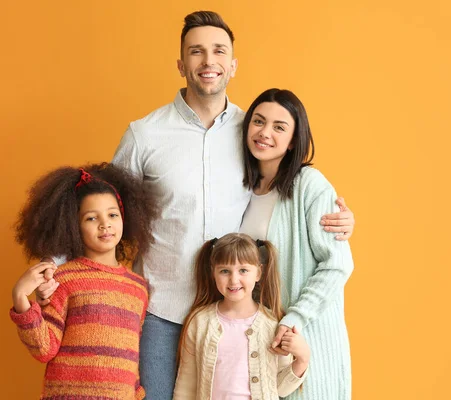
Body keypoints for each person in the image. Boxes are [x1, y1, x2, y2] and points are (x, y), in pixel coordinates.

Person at [37, 11, 354, 399]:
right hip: (161, 313)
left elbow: (286, 190)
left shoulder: (252, 132)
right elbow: (101, 205)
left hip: (234, 314)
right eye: (196, 52)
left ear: (233, 65)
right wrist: (52, 264)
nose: (208, 61)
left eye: (219, 51)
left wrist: (339, 220)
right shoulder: (145, 134)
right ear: (181, 64)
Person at [239, 88, 354, 399]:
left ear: (293, 141)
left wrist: (297, 318)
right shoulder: (240, 186)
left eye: (279, 127)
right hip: (257, 345)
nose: (264, 133)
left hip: (305, 340)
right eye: (258, 122)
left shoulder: (310, 185)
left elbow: (338, 263)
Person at [10, 163, 158, 399]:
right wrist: (21, 299)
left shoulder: (138, 288)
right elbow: (44, 349)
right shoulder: (63, 279)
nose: (105, 224)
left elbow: (130, 357)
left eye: (112, 214)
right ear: (73, 226)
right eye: (91, 218)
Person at [173, 233, 310, 399]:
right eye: (225, 271)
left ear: (258, 273)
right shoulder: (200, 322)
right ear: (213, 272)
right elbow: (186, 384)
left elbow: (279, 388)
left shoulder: (273, 325)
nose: (234, 280)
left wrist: (302, 358)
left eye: (243, 270)